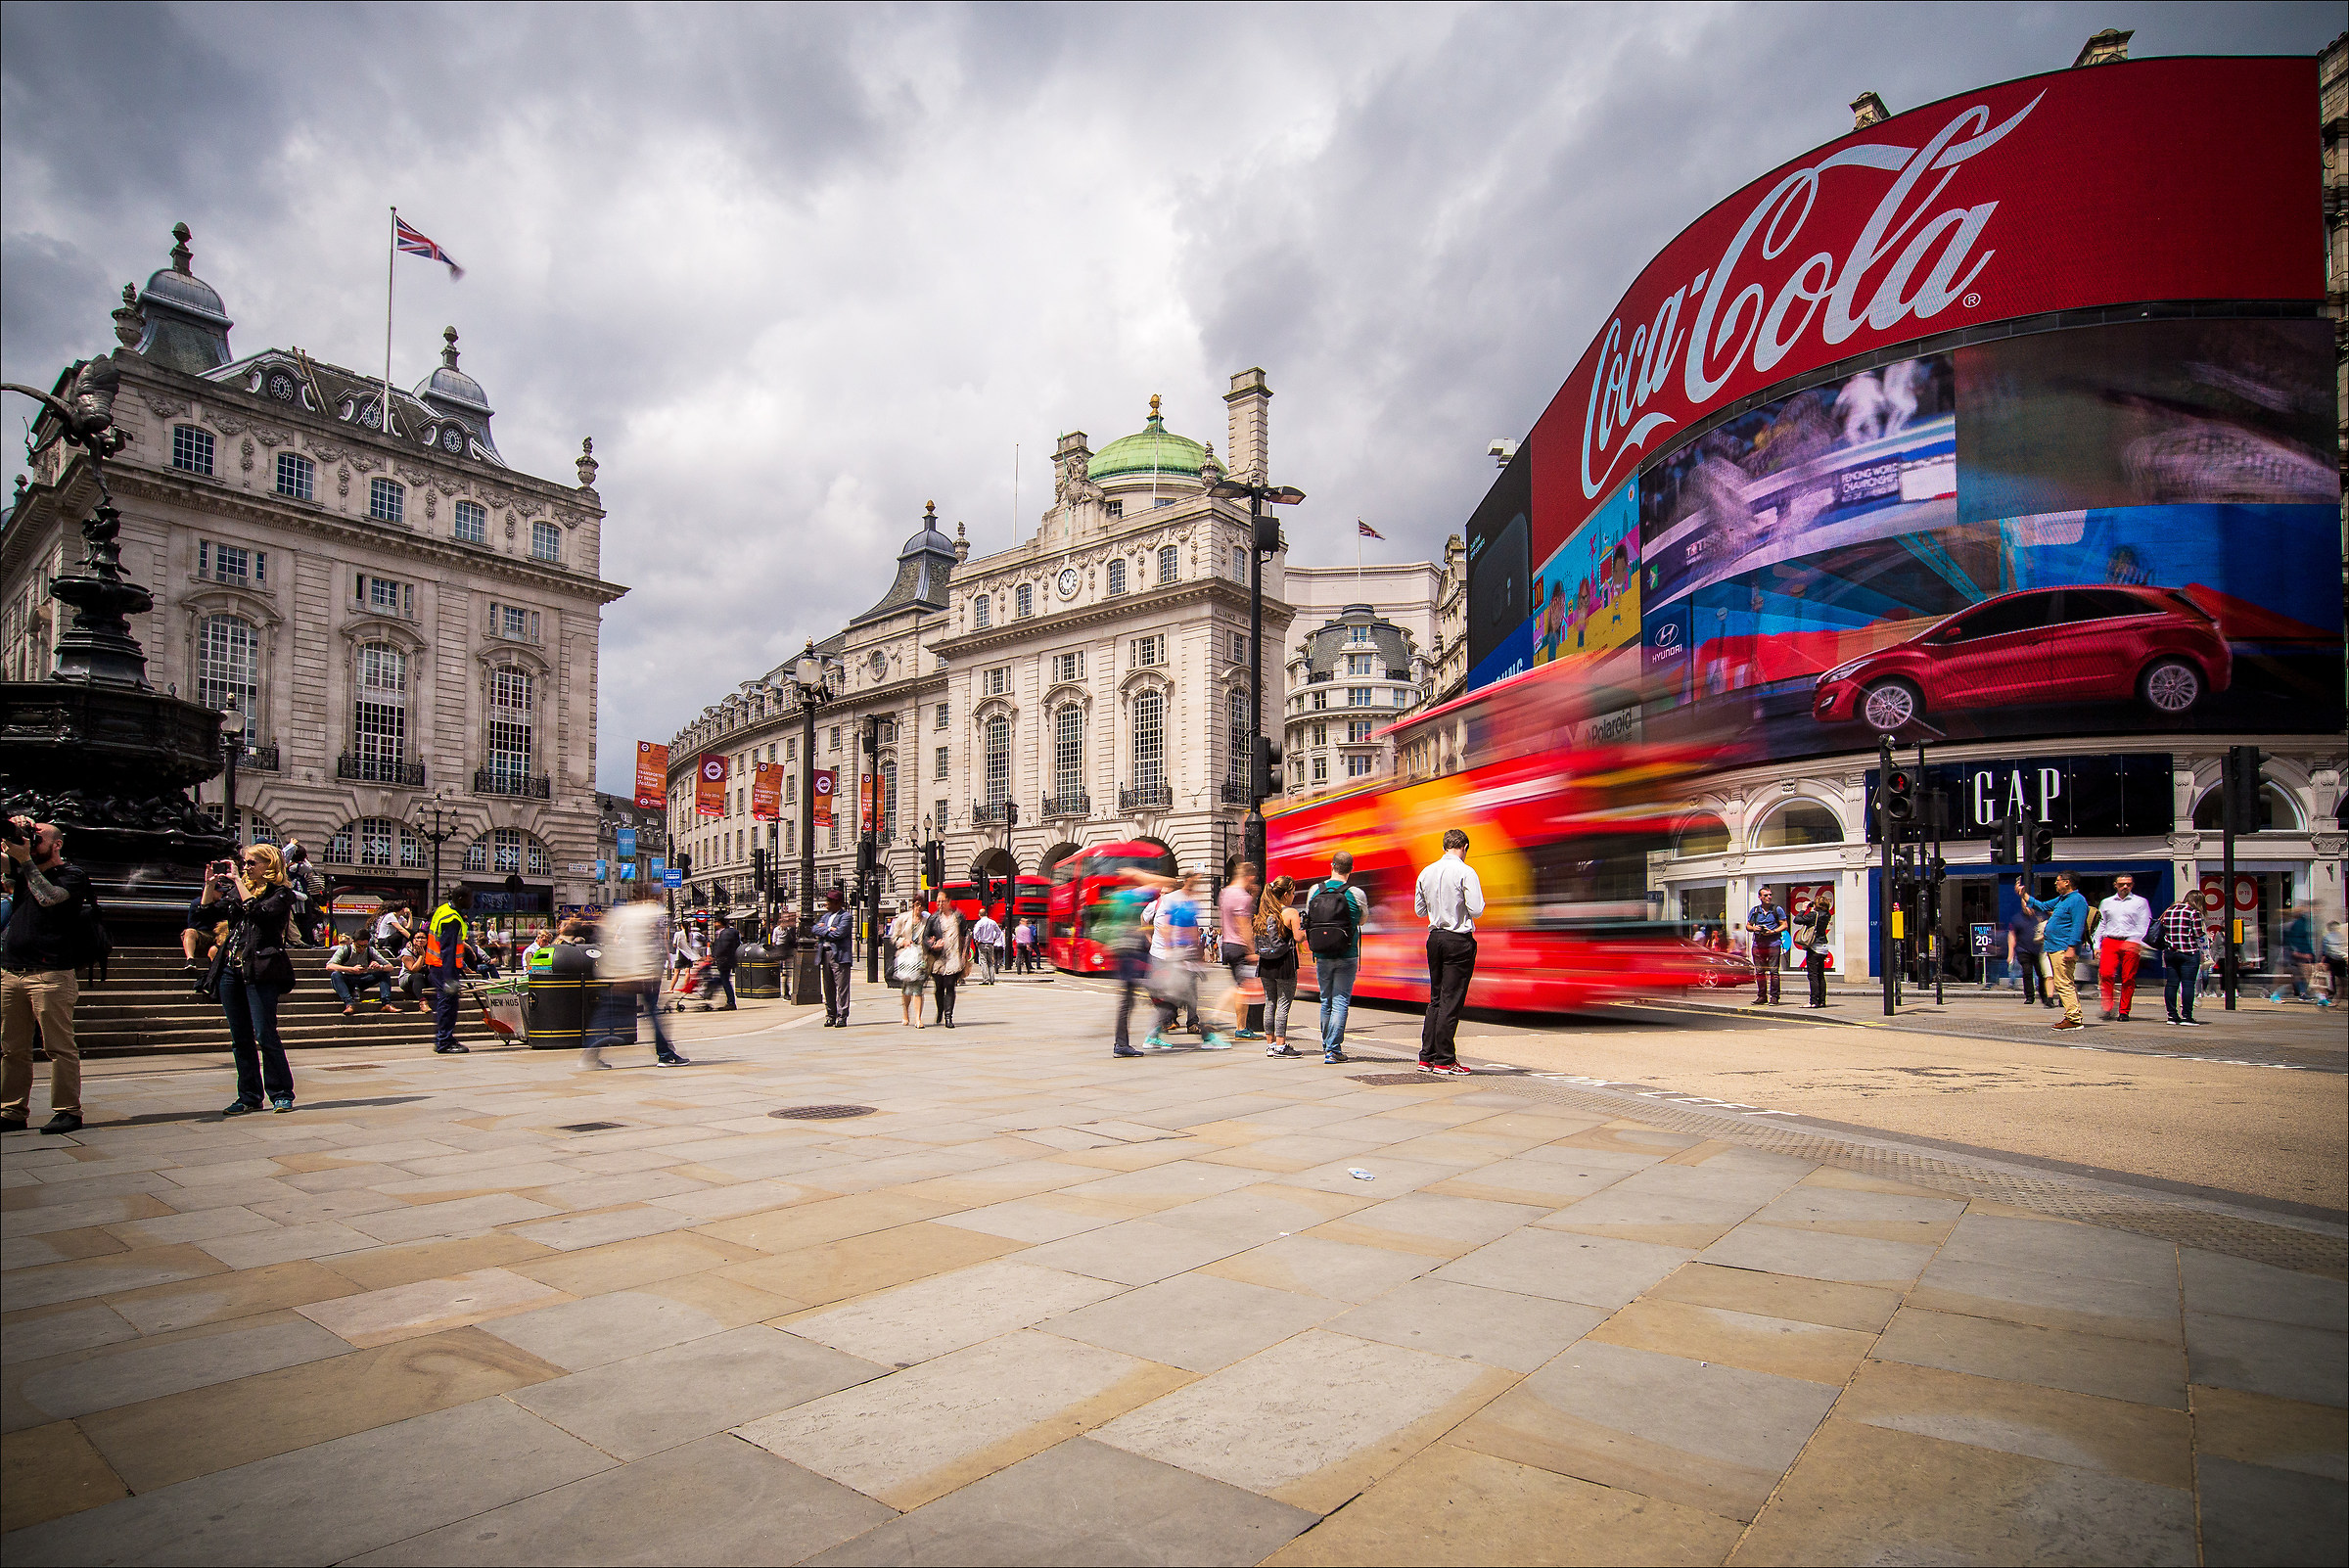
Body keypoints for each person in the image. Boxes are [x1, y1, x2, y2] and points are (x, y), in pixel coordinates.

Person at [191, 843, 300, 1115]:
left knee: (265, 1033)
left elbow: (260, 913)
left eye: (252, 863)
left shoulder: (282, 893)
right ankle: (249, 1095)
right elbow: (204, 915)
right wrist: (209, 886)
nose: (246, 867)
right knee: (240, 1037)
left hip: (262, 969)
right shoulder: (239, 893)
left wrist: (239, 882)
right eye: (245, 863)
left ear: (269, 865)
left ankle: (281, 1093)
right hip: (231, 968)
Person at [3, 817, 95, 1134]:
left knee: (58, 1047)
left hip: (51, 973)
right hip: (11, 971)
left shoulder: (72, 874)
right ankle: (12, 1110)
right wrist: (11, 831)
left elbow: (49, 898)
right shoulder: (20, 866)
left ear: (56, 845)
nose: (32, 840)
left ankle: (69, 1110)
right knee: (11, 1048)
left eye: (38, 837)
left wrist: (26, 860)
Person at [1413, 830, 1483, 1073]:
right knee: (1451, 1000)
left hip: (1435, 938)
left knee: (1435, 999)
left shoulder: (1426, 871)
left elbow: (1420, 911)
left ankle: (1426, 1056)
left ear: (1444, 847)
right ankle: (1445, 1060)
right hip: (1458, 939)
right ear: (1464, 846)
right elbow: (1476, 909)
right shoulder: (1466, 871)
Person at [593, 890, 687, 1066]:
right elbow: (638, 947)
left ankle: (591, 1052)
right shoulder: (641, 916)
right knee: (651, 1014)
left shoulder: (627, 914)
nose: (659, 899)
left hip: (629, 973)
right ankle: (665, 1054)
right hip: (637, 974)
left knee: (611, 1014)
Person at [1147, 872, 1226, 1050]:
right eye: (1196, 882)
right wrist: (1170, 952)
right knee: (1176, 998)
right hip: (1177, 956)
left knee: (1188, 997)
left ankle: (1201, 1034)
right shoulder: (1173, 899)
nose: (1197, 887)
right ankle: (1155, 1033)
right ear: (1188, 882)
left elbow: (1193, 930)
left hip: (1185, 957)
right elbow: (1167, 926)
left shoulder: (1190, 901)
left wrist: (1198, 956)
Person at [1303, 852, 1369, 1063]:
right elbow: (1362, 920)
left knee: (1326, 1000)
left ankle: (1326, 1045)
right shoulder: (1356, 893)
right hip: (1347, 953)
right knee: (1340, 1000)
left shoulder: (1315, 890)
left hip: (1321, 953)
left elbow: (1308, 917)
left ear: (1331, 865)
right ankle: (1333, 1049)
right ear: (1351, 869)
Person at [2020, 872, 2090, 1029]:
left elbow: (2078, 926)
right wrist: (2024, 896)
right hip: (2055, 946)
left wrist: (2072, 947)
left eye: (2058, 881)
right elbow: (2043, 906)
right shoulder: (2062, 899)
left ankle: (2073, 1018)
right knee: (2063, 981)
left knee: (2064, 982)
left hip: (2063, 947)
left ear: (2067, 883)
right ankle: (2073, 1015)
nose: (2055, 884)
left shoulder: (2077, 901)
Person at [2090, 873, 2151, 1021]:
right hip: (2110, 940)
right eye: (2122, 884)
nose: (2125, 887)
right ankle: (2108, 1006)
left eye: (2128, 884)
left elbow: (2144, 924)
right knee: (2105, 974)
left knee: (2128, 977)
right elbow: (2101, 924)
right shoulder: (2106, 902)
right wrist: (2096, 945)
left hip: (2131, 940)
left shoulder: (2140, 902)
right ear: (2115, 885)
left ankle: (2124, 1010)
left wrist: (2137, 942)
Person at [1256, 876, 1304, 1058]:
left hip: (1266, 963)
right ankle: (1281, 1046)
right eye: (1292, 893)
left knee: (1270, 1003)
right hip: (1284, 963)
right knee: (1283, 1004)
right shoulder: (1290, 913)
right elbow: (1298, 938)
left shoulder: (1263, 913)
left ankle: (1270, 1045)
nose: (1293, 896)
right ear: (1285, 894)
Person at [1221, 862, 1264, 1040]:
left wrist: (1252, 897)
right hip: (1239, 946)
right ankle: (1240, 1027)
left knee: (1240, 986)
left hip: (1227, 944)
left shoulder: (1225, 892)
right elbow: (1244, 925)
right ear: (1250, 877)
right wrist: (1251, 950)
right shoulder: (1241, 897)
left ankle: (1239, 1025)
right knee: (1242, 988)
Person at [424, 895, 471, 1053]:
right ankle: (444, 1041)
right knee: (448, 1003)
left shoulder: (443, 909)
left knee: (447, 1002)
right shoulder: (452, 919)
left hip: (437, 964)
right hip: (444, 967)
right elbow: (448, 949)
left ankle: (444, 1039)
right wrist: (450, 976)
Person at [2156, 892, 2208, 1028]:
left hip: (2170, 952)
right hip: (2188, 952)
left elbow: (2162, 929)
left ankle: (2172, 1015)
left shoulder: (2169, 910)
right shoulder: (2193, 913)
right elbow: (2198, 934)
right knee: (2188, 984)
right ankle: (2187, 1016)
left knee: (2172, 984)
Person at [325, 929, 407, 1015]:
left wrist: (379, 967)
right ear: (353, 942)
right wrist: (351, 969)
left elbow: (390, 967)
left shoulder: (370, 950)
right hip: (347, 979)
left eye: (364, 946)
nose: (362, 949)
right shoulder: (344, 950)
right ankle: (349, 1004)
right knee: (335, 975)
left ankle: (386, 1003)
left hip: (363, 979)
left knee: (384, 973)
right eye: (359, 946)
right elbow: (329, 966)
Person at [813, 892, 856, 1027]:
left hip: (839, 956)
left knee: (842, 988)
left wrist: (824, 930)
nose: (826, 904)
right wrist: (828, 929)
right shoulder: (825, 917)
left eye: (829, 901)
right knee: (828, 987)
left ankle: (842, 1016)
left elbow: (839, 933)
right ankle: (830, 1015)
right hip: (824, 954)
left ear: (837, 903)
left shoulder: (846, 917)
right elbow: (814, 929)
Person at [926, 899, 967, 1028]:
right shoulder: (933, 918)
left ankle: (948, 1017)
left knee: (950, 986)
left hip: (953, 957)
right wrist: (933, 945)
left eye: (943, 901)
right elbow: (925, 937)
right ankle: (940, 1010)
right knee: (939, 988)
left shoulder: (958, 917)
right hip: (938, 959)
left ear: (949, 902)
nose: (940, 904)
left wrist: (964, 954)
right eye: (938, 901)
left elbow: (966, 934)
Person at [1744, 887, 1786, 1004]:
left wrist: (1773, 931)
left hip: (1773, 943)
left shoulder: (1777, 909)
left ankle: (1774, 997)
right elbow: (1748, 926)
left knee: (1774, 971)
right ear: (1760, 897)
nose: (1769, 897)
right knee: (1760, 972)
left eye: (1770, 895)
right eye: (1766, 895)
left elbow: (1784, 925)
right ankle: (1762, 996)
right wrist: (1754, 928)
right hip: (1758, 944)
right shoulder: (1755, 910)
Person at [888, 901, 928, 1026]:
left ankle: (918, 1019)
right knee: (906, 989)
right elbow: (894, 937)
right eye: (917, 905)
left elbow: (930, 935)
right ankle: (905, 1013)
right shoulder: (903, 918)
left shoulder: (927, 920)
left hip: (921, 958)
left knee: (918, 989)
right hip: (906, 957)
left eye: (921, 905)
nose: (919, 907)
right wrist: (903, 941)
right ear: (913, 906)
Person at [1792, 890, 1833, 1008]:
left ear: (1817, 905)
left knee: (1813, 975)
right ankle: (1822, 1001)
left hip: (1814, 948)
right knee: (1821, 975)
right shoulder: (1827, 915)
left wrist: (1804, 908)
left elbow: (1797, 920)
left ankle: (1813, 1001)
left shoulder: (1814, 915)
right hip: (1824, 948)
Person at [2008, 897, 2050, 1008]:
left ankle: (2044, 996)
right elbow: (2012, 935)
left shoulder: (2041, 917)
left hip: (2038, 950)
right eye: (2025, 905)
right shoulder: (2017, 919)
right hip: (2023, 950)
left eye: (2029, 905)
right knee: (2027, 971)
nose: (2028, 907)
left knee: (2041, 973)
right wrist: (2010, 953)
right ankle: (2029, 996)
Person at [2270, 907, 2315, 1002]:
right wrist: (2300, 953)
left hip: (2288, 954)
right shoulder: (2288, 926)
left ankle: (2302, 993)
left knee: (2297, 975)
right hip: (2286, 954)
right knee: (2286, 976)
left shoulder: (2288, 925)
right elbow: (2294, 940)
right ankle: (2274, 994)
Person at [708, 914, 741, 1011]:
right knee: (723, 980)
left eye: (715, 922)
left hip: (725, 960)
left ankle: (731, 1002)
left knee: (725, 980)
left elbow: (723, 947)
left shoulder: (725, 933)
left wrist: (714, 956)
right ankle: (729, 1001)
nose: (714, 924)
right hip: (728, 959)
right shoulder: (728, 932)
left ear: (720, 923)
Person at [971, 908, 1002, 985]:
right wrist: (994, 939)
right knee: (990, 962)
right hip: (990, 944)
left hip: (982, 944)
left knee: (983, 962)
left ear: (979, 915)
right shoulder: (992, 922)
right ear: (986, 914)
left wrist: (977, 940)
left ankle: (985, 979)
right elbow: (999, 932)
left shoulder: (979, 923)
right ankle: (992, 979)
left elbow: (975, 932)